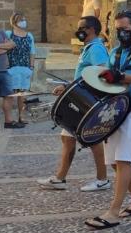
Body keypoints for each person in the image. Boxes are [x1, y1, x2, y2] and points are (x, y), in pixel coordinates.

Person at [84, 11, 131, 230]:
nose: (120, 33)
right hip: (114, 111)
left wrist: (121, 77)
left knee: (124, 160)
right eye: (117, 29)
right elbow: (106, 79)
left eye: (124, 29)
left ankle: (113, 212)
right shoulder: (115, 51)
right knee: (116, 162)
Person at [37, 16, 111, 192]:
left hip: (87, 101)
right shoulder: (89, 48)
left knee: (92, 138)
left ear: (92, 29)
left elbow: (102, 73)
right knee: (67, 137)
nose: (78, 31)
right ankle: (60, 179)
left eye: (82, 28)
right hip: (81, 98)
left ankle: (102, 179)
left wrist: (77, 90)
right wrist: (67, 87)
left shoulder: (96, 49)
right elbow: (83, 76)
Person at [5, 13, 36, 125]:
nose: (23, 21)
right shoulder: (8, 34)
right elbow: (4, 49)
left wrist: (31, 67)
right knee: (10, 95)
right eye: (20, 20)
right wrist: (6, 66)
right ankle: (8, 119)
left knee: (22, 95)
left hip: (24, 68)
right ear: (14, 22)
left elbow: (32, 52)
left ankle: (21, 117)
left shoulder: (29, 36)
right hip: (12, 68)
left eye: (24, 19)